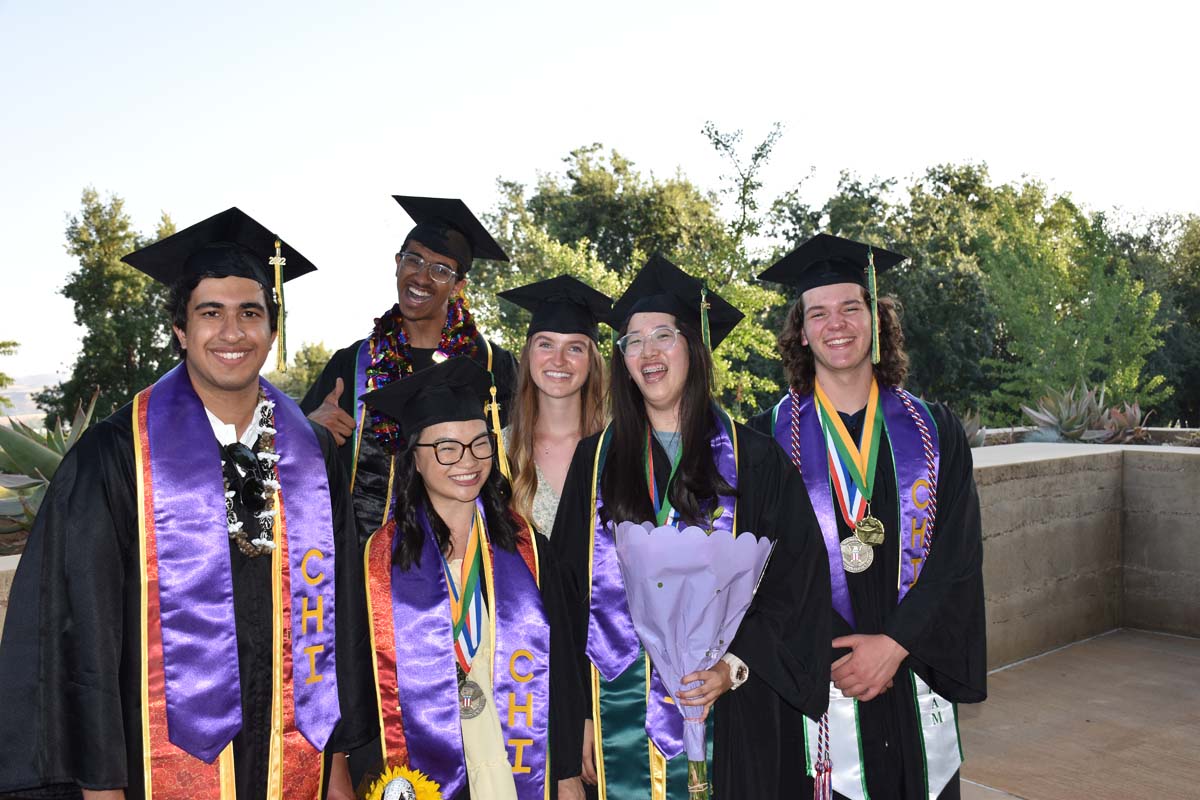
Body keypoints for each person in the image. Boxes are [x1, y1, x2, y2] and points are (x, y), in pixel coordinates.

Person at [0, 208, 374, 800]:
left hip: (292, 754)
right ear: (180, 329)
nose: (232, 332)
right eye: (210, 313)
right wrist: (101, 783)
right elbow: (83, 632)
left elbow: (340, 615)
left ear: (271, 331)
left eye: (250, 312)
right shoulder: (118, 458)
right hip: (152, 759)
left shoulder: (312, 454)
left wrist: (339, 763)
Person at [551, 255, 832, 799]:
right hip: (617, 716)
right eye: (632, 341)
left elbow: (798, 584)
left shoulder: (756, 459)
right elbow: (565, 602)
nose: (648, 352)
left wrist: (735, 664)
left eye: (663, 335)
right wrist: (577, 722)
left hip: (735, 714)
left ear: (694, 349)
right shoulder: (594, 464)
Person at [749, 233, 987, 800]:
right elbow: (761, 576)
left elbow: (958, 553)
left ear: (876, 318)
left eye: (852, 307)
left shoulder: (934, 432)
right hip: (824, 683)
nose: (837, 324)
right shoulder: (764, 442)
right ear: (801, 331)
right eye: (818, 312)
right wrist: (840, 654)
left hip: (914, 670)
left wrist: (894, 644)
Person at [354, 357, 584, 800]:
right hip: (421, 767)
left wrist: (567, 771)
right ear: (414, 461)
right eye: (446, 448)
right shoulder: (376, 561)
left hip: (516, 755)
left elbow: (563, 663)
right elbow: (364, 682)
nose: (468, 461)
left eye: (480, 444)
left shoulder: (527, 548)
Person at [300, 196, 519, 542]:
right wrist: (308, 430)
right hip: (364, 566)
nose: (422, 276)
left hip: (469, 565)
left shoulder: (495, 366)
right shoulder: (352, 365)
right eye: (413, 260)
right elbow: (300, 469)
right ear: (397, 263)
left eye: (441, 270)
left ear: (458, 286)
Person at [496, 275, 611, 535]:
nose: (558, 360)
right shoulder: (498, 452)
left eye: (575, 349)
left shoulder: (618, 446)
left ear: (591, 361)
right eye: (546, 344)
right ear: (528, 355)